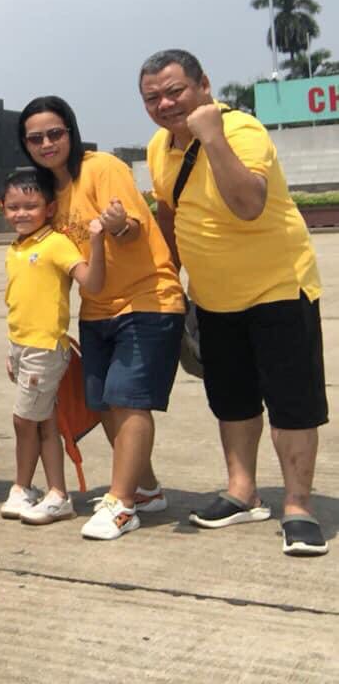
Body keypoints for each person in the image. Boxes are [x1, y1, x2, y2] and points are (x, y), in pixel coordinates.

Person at [141, 49, 328, 557]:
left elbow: (248, 205)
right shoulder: (160, 147)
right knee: (233, 400)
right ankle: (242, 491)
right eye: (152, 97)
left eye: (175, 91)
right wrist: (170, 281)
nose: (165, 104)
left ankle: (297, 505)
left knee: (292, 403)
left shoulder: (241, 130)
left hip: (278, 289)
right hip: (213, 299)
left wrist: (212, 136)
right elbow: (169, 214)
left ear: (203, 85)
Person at [19, 95, 186, 540]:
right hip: (97, 310)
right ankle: (146, 488)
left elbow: (132, 228)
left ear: (71, 132)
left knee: (129, 399)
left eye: (55, 133)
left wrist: (117, 226)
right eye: (35, 138)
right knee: (106, 402)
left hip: (147, 298)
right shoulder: (48, 194)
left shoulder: (102, 167)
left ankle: (123, 503)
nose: (47, 143)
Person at [0, 168, 106, 526]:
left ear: (49, 208)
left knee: (24, 420)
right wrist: (11, 348)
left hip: (45, 348)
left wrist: (98, 243)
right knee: (44, 422)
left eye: (30, 206)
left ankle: (32, 488)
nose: (21, 213)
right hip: (23, 346)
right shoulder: (17, 247)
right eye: (13, 206)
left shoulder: (56, 243)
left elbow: (90, 280)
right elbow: (18, 303)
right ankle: (50, 492)